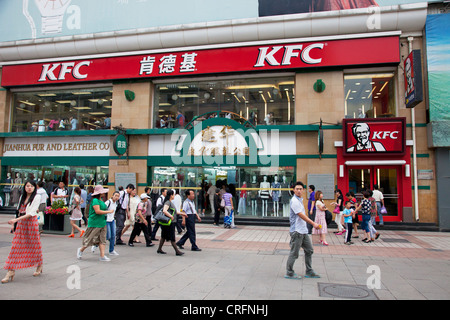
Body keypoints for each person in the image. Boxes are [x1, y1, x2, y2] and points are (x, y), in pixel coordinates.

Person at [2, 181, 43, 283]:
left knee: (34, 245)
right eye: (27, 186)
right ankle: (10, 271)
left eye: (31, 186)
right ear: (24, 187)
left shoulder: (37, 197)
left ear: (35, 188)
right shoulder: (22, 197)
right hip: (21, 224)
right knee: (15, 246)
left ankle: (39, 265)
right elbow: (19, 211)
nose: (29, 188)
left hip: (31, 224)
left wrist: (16, 220)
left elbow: (31, 213)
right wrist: (14, 224)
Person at [285, 181, 321, 280]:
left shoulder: (300, 200)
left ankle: (309, 271)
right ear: (293, 190)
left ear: (303, 190)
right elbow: (301, 215)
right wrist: (313, 223)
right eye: (297, 189)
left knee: (309, 250)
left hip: (303, 231)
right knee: (294, 253)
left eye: (301, 189)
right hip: (297, 232)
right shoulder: (294, 201)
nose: (299, 191)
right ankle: (289, 272)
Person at [77, 185, 115, 262]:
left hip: (102, 222)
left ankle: (102, 256)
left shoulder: (101, 200)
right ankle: (81, 250)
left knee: (102, 239)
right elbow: (97, 211)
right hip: (94, 222)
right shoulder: (95, 200)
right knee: (89, 239)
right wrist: (109, 212)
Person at [156, 190, 187, 256]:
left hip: (168, 223)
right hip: (170, 223)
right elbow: (164, 210)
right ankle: (177, 251)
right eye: (173, 195)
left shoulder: (170, 202)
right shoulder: (168, 202)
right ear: (171, 195)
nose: (174, 196)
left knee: (163, 236)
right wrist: (170, 216)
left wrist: (182, 213)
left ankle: (159, 249)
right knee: (172, 237)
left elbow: (175, 212)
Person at [104, 191, 120, 256]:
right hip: (106, 220)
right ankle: (96, 244)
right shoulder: (108, 202)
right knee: (108, 236)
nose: (117, 197)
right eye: (115, 195)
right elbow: (103, 210)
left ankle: (111, 250)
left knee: (113, 235)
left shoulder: (116, 203)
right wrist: (108, 212)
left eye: (118, 196)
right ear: (112, 195)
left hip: (112, 220)